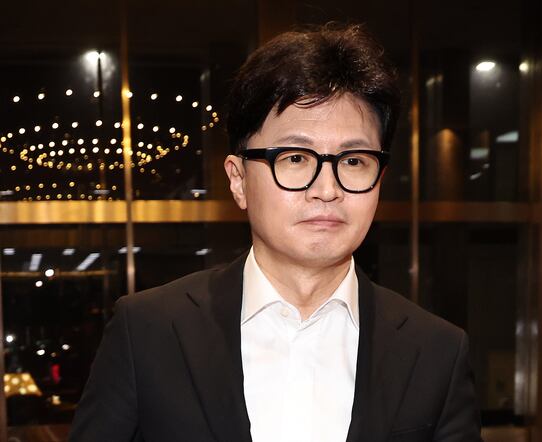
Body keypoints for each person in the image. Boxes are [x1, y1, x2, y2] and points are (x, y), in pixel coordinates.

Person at [69, 24, 482, 442]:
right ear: (238, 180)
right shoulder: (148, 331)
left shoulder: (437, 352)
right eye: (296, 158)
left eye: (354, 161)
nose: (327, 189)